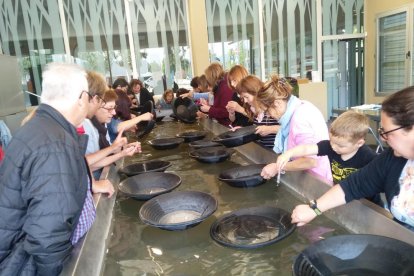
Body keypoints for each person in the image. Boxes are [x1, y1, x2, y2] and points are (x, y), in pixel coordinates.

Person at [0, 63, 91, 274]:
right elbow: (47, 236)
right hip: (19, 264)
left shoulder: (37, 127)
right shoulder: (56, 144)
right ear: (82, 97)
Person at [291, 86, 414, 230]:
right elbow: (353, 185)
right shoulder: (393, 158)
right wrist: (314, 209)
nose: (382, 138)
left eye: (386, 132)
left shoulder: (372, 155)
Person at [276, 110, 382, 205]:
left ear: (359, 143)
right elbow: (306, 149)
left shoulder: (368, 157)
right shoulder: (330, 147)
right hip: (342, 196)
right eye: (331, 141)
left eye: (340, 145)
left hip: (368, 203)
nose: (333, 147)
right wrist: (288, 154)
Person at [259, 75, 332, 182]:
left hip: (316, 180)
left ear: (277, 103)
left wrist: (277, 167)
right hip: (308, 176)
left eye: (267, 111)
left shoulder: (300, 119)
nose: (268, 116)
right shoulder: (300, 106)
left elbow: (310, 161)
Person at [234, 75, 280, 148]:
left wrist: (270, 129)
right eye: (243, 98)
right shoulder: (254, 109)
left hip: (278, 152)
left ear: (255, 92)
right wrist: (244, 131)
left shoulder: (273, 107)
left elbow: (289, 128)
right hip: (265, 150)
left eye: (246, 97)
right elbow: (257, 129)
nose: (245, 101)